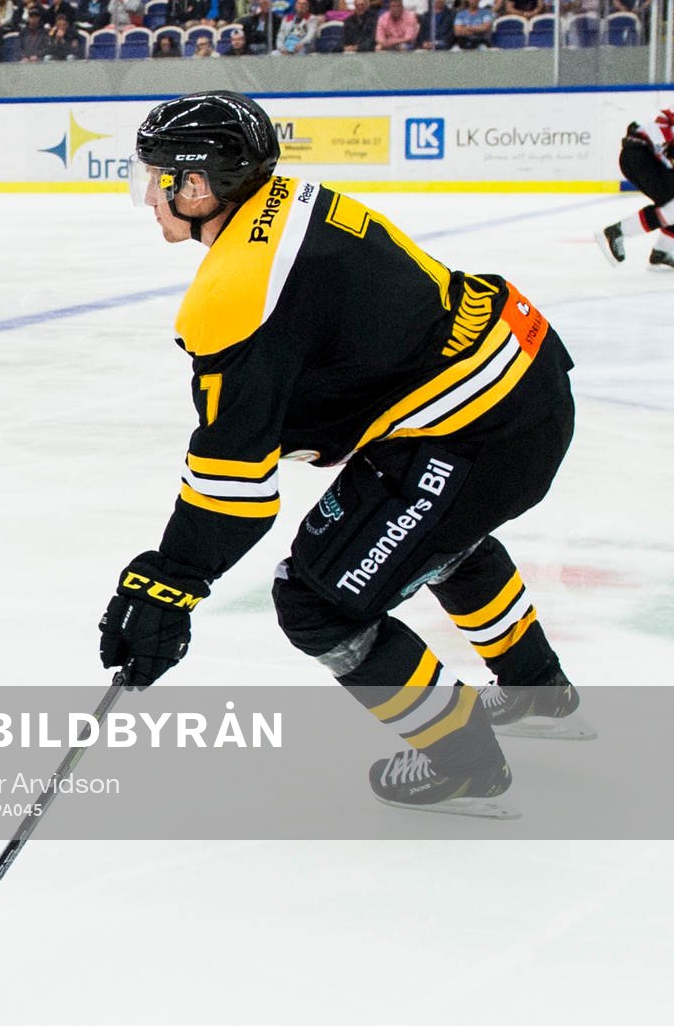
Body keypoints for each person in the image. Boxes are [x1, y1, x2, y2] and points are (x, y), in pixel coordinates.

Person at [102, 91, 585, 819]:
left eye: (158, 177)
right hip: (522, 375)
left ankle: (465, 760)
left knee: (316, 600)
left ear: (198, 186)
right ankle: (538, 690)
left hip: (478, 429)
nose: (150, 197)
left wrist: (169, 583)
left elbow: (233, 490)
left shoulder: (234, 291)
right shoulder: (291, 198)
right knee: (439, 536)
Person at [597, 108, 674, 270]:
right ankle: (617, 231)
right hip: (640, 156)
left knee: (670, 206)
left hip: (640, 155)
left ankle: (662, 252)